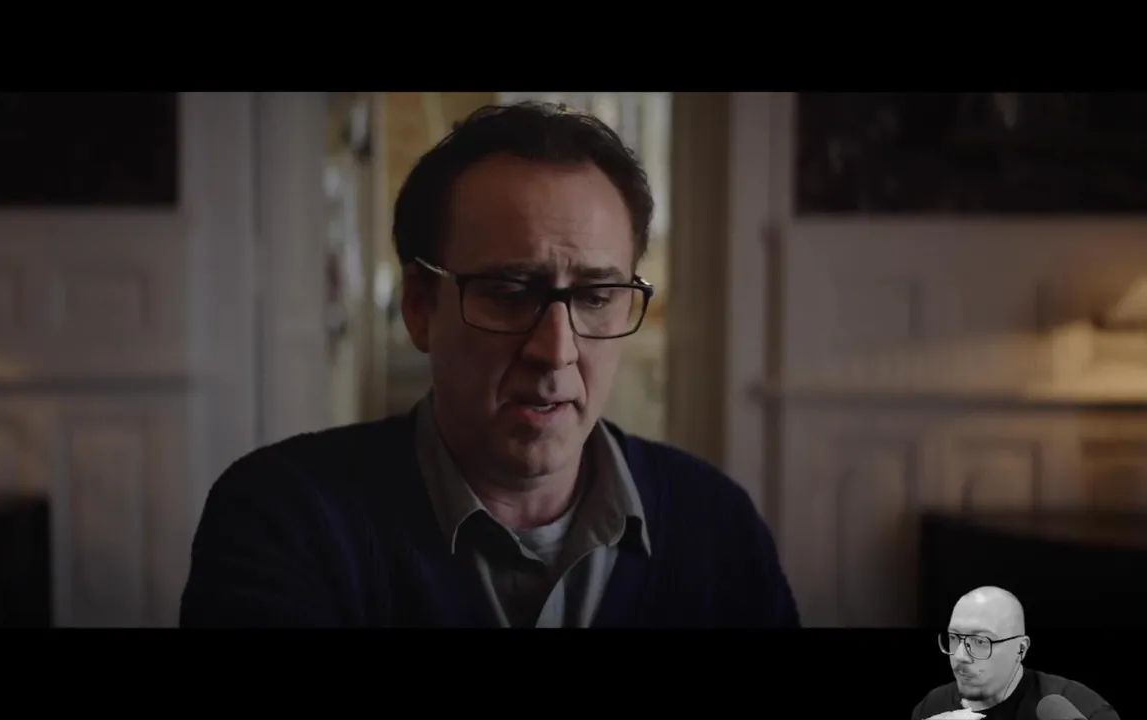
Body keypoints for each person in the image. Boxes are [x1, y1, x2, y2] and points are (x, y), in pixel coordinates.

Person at [178, 100, 800, 628]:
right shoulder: (283, 520)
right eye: (508, 293)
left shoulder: (715, 523)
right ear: (420, 307)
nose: (556, 350)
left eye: (595, 297)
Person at [911, 586, 1120, 720]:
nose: (959, 656)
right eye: (954, 637)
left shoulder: (1079, 707)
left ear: (1021, 649)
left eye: (980, 641)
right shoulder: (932, 706)